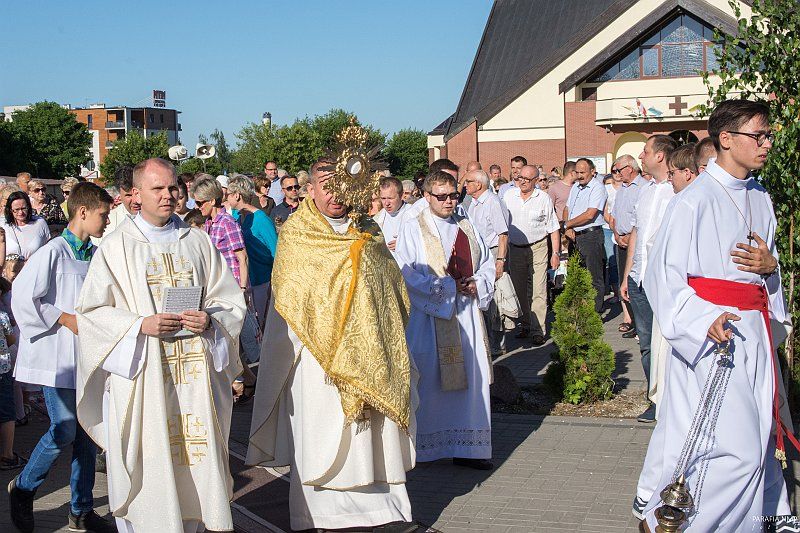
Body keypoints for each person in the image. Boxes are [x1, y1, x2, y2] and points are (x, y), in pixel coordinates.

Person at [637, 100, 791, 530]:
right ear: (726, 138)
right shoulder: (694, 200)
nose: (767, 144)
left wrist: (771, 268)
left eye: (768, 136)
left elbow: (765, 271)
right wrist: (702, 319)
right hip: (714, 339)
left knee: (756, 441)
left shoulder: (761, 196)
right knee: (736, 452)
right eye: (758, 136)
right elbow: (661, 275)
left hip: (755, 333)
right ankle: (670, 523)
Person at [74, 158, 246, 533]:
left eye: (172, 188)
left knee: (196, 483)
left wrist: (210, 320)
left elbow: (230, 301)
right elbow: (91, 314)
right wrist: (139, 325)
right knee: (150, 482)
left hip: (194, 383)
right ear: (136, 194)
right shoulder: (117, 247)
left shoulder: (197, 242)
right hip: (144, 380)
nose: (168, 195)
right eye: (158, 188)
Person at [247, 157, 417, 531]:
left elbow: (390, 289)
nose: (336, 194)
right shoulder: (298, 235)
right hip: (316, 356)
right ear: (311, 189)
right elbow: (290, 299)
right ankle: (319, 515)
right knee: (321, 435)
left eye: (342, 186)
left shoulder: (368, 230)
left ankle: (380, 509)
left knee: (369, 441)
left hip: (369, 353)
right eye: (327, 186)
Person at [8, 182, 115, 533]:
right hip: (58, 357)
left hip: (87, 355)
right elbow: (24, 296)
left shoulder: (96, 254)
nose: (107, 220)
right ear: (82, 212)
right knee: (65, 426)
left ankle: (81, 509)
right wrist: (63, 317)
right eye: (103, 214)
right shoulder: (53, 251)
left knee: (86, 433)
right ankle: (24, 487)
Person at [396, 170, 495, 470]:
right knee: (429, 379)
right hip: (431, 317)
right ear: (427, 196)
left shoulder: (466, 224)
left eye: (454, 195)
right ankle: (425, 447)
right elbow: (406, 271)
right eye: (442, 196)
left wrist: (478, 283)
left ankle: (470, 449)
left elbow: (487, 262)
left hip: (467, 316)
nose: (449, 201)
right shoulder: (414, 227)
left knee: (473, 380)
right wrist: (449, 287)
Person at [618, 135, 677, 427]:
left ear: (660, 156)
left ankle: (673, 400)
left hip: (665, 281)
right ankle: (654, 399)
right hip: (639, 279)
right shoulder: (645, 191)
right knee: (646, 343)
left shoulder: (677, 191)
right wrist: (627, 275)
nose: (642, 156)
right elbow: (636, 235)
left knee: (669, 342)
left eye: (645, 151)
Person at [503, 165, 560, 345]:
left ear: (536, 180)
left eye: (527, 179)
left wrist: (555, 253)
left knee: (538, 289)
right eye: (520, 178)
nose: (522, 182)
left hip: (538, 247)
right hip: (515, 248)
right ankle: (526, 324)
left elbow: (553, 228)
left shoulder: (543, 198)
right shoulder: (509, 196)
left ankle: (538, 330)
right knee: (518, 289)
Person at [464, 169, 510, 355]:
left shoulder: (492, 202)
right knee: (482, 298)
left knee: (494, 300)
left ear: (478, 184)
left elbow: (502, 234)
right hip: (478, 254)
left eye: (468, 181)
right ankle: (487, 341)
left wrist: (500, 260)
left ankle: (498, 344)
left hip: (492, 252)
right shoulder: (473, 204)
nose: (465, 185)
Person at [225, 175, 278, 327]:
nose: (226, 197)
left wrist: (274, 285)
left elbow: (276, 253)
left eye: (228, 194)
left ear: (237, 195)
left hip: (262, 281)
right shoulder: (236, 217)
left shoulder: (262, 220)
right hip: (245, 282)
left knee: (262, 325)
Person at [563, 158, 608, 312]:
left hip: (591, 235)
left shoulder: (597, 187)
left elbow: (590, 214)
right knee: (577, 274)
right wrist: (568, 227)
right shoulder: (575, 187)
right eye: (577, 172)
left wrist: (567, 224)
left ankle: (595, 312)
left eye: (583, 172)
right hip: (574, 235)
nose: (579, 176)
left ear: (592, 171)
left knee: (593, 276)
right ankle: (580, 310)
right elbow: (567, 208)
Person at [609, 155, 647, 333]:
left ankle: (640, 322)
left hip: (635, 242)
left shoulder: (643, 187)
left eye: (619, 170)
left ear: (629, 169)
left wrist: (630, 237)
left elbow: (641, 218)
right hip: (620, 240)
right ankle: (628, 318)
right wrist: (617, 235)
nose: (617, 174)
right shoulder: (621, 189)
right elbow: (614, 215)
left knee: (634, 280)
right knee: (622, 279)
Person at [192, 178, 249, 290]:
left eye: (200, 203)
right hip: (219, 285)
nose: (198, 207)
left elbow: (243, 258)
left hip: (233, 285)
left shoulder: (227, 223)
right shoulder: (209, 222)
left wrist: (243, 289)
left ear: (212, 201)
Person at [93, 165, 140, 245]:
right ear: (119, 195)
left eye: (138, 193)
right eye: (128, 195)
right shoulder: (107, 223)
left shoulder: (159, 218)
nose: (136, 201)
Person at [2, 192, 50, 260]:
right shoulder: (3, 225)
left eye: (24, 208)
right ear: (10, 210)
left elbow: (47, 249)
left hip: (36, 265)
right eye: (17, 209)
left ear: (29, 207)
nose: (21, 212)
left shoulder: (40, 223)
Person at [373, 177, 411, 255]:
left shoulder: (414, 214)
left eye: (390, 198)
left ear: (401, 195)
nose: (387, 203)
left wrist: (406, 244)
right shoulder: (377, 219)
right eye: (383, 198)